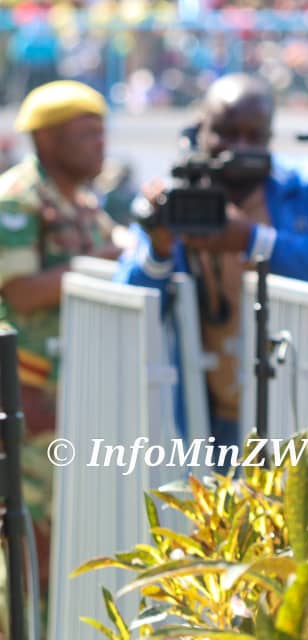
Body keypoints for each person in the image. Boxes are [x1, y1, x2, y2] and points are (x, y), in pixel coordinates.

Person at [115, 73, 308, 500]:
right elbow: (129, 296)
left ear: (270, 136)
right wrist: (160, 247)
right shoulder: (181, 196)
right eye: (224, 132)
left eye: (253, 135)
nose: (238, 147)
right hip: (222, 425)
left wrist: (254, 240)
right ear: (199, 129)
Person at [0, 79, 118, 613]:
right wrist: (98, 268)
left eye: (102, 132)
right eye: (85, 134)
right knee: (28, 541)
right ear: (46, 141)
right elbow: (21, 292)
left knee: (74, 534)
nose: (100, 144)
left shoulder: (87, 205)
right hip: (28, 399)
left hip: (76, 397)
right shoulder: (19, 201)